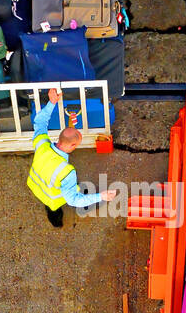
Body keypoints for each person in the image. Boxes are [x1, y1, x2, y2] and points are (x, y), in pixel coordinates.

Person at [27, 89, 118, 228]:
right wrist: (101, 197)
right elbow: (73, 200)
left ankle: (55, 219)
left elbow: (40, 122)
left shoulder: (42, 143)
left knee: (52, 206)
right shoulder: (68, 172)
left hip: (36, 186)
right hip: (52, 198)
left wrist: (52, 103)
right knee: (55, 205)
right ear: (73, 145)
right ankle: (56, 219)